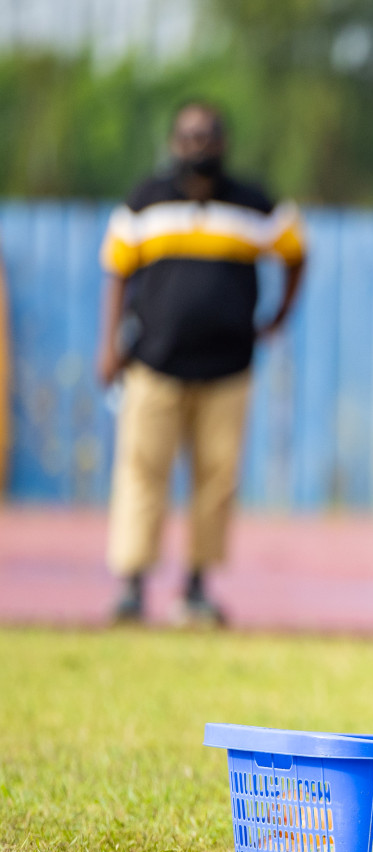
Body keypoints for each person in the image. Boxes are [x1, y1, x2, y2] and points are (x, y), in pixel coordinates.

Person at [96, 101, 306, 626]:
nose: (198, 145)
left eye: (208, 136)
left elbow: (297, 251)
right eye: (189, 136)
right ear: (173, 143)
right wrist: (109, 346)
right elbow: (117, 271)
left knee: (216, 479)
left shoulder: (255, 205)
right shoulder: (145, 202)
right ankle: (133, 586)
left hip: (228, 368)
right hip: (154, 363)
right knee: (142, 472)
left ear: (224, 143)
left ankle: (195, 589)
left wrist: (279, 314)